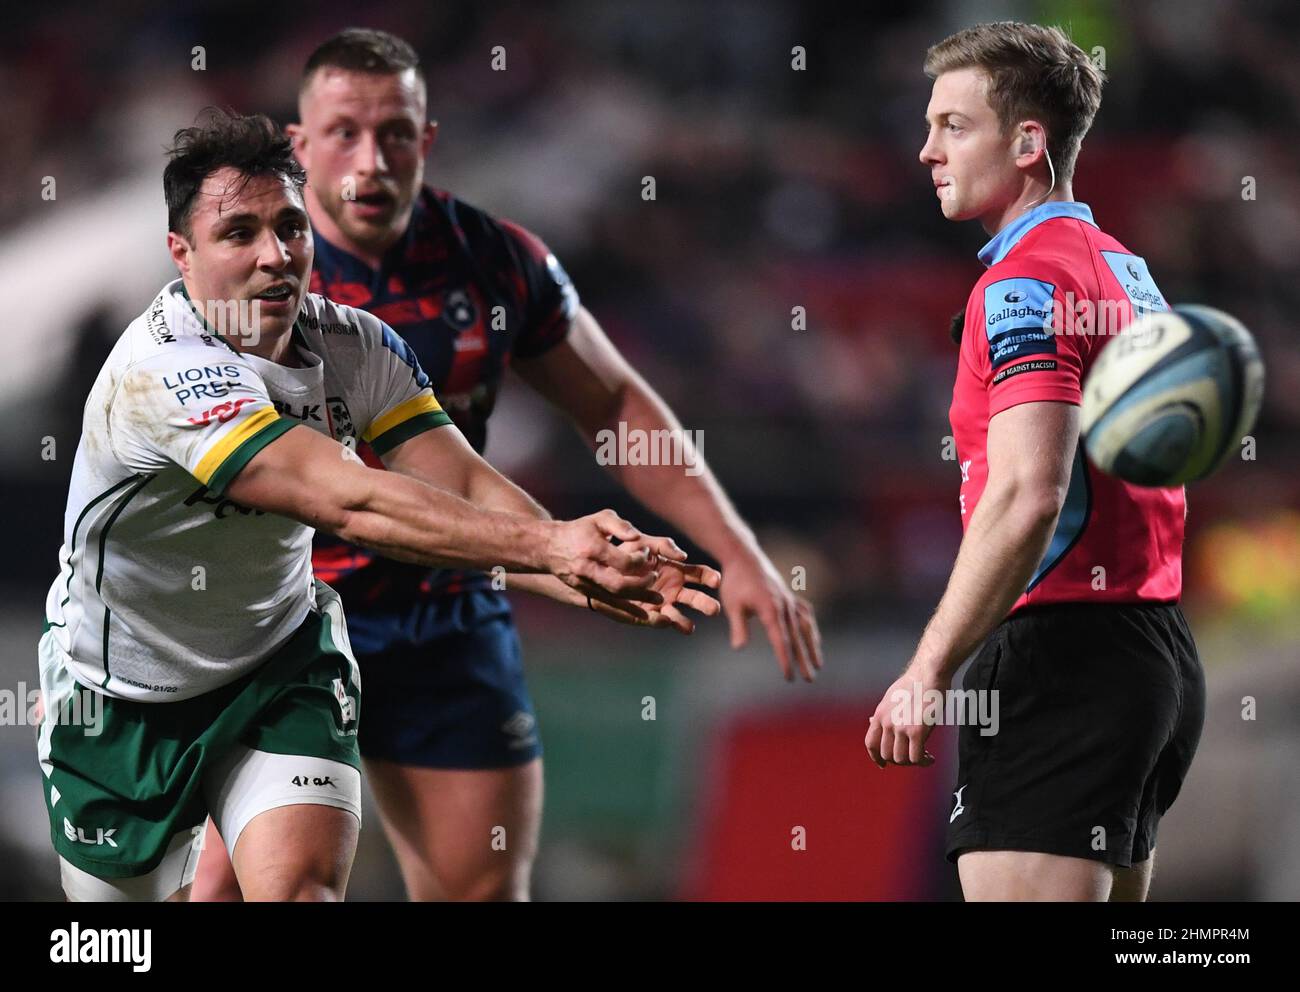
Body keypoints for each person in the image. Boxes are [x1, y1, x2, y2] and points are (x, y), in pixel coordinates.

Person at [192, 27, 822, 902]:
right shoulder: (239, 276)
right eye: (343, 133)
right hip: (277, 620)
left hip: (446, 611)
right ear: (298, 145)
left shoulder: (493, 260)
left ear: (430, 139)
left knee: (480, 890)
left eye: (396, 134)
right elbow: (321, 494)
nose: (371, 161)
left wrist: (735, 550)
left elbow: (612, 406)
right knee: (232, 893)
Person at [37, 109, 716, 902]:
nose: (273, 257)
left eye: (290, 226)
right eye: (239, 234)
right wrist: (558, 553)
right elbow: (346, 501)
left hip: (278, 665)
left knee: (300, 891)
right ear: (181, 254)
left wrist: (591, 567)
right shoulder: (162, 377)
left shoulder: (355, 346)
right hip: (120, 701)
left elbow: (454, 487)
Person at [865, 22, 1204, 902]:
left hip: (1063, 657)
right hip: (1153, 649)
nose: (926, 150)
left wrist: (927, 671)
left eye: (953, 125)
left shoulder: (1026, 284)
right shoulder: (1128, 273)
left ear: (1028, 143)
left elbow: (1027, 493)